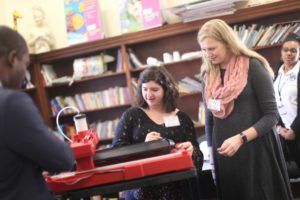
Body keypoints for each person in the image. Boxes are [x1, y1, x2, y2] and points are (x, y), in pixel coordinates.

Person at [198, 19, 293, 200]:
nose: (208, 54)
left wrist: (241, 138)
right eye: (203, 50)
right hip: (225, 156)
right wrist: (211, 156)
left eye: (212, 48)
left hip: (257, 152)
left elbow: (271, 115)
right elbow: (210, 120)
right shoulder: (207, 75)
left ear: (227, 42)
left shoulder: (253, 66)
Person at [0, 26, 74, 199]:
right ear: (13, 59)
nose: (25, 77)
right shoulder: (11, 103)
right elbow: (62, 159)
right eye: (25, 65)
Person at [112, 66, 203, 200]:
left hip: (178, 189)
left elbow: (198, 157)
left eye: (154, 89)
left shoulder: (182, 118)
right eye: (144, 89)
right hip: (143, 190)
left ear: (167, 90)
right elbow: (116, 153)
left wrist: (192, 151)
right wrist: (144, 147)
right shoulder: (131, 116)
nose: (149, 94)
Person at [274, 33, 300, 175]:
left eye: (294, 50)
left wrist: (295, 129)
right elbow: (275, 104)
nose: (289, 53)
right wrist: (279, 127)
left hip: (297, 130)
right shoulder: (278, 75)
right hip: (288, 134)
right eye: (286, 50)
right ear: (281, 52)